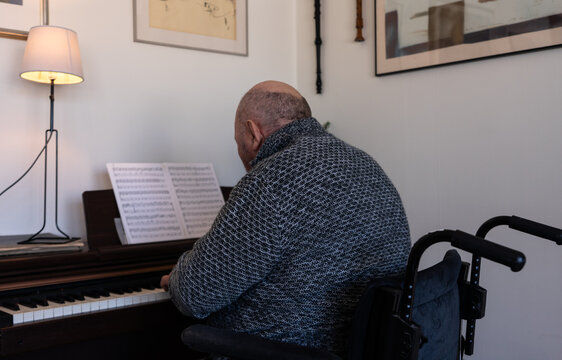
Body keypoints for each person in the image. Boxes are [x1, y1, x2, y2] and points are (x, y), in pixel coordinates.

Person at [161, 80, 410, 356]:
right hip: (366, 349)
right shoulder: (366, 163)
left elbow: (193, 295)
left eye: (238, 141)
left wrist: (176, 277)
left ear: (252, 132)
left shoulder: (270, 180)